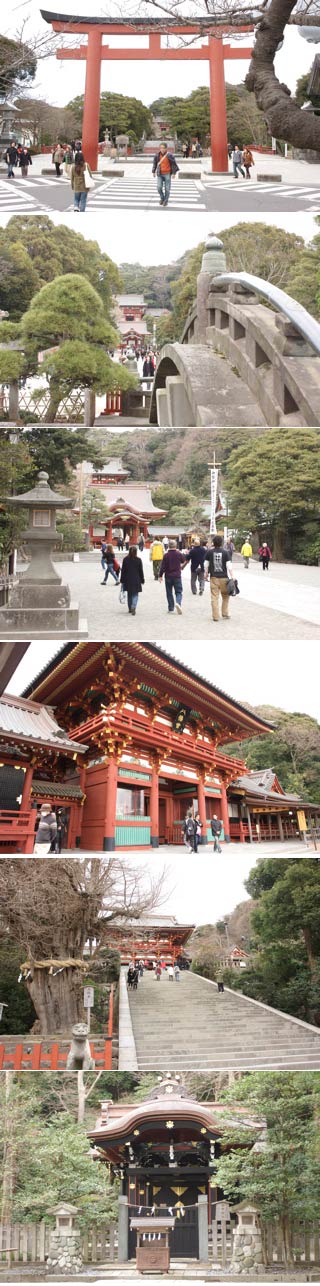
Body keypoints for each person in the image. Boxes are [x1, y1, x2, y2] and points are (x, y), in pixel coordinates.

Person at [205, 535, 233, 622]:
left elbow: (206, 565)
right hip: (224, 578)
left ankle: (215, 616)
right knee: (225, 596)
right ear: (221, 543)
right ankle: (225, 613)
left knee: (214, 597)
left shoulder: (209, 552)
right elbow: (229, 566)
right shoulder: (225, 552)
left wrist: (206, 574)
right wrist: (233, 576)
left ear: (213, 542)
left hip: (214, 578)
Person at [159, 539, 186, 614]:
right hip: (177, 575)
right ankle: (178, 603)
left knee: (169, 592)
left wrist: (160, 575)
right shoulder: (179, 554)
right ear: (176, 546)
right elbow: (184, 560)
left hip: (168, 576)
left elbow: (162, 567)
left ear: (168, 546)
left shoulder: (166, 555)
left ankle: (171, 608)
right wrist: (181, 566)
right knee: (178, 592)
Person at [152, 142, 179, 207]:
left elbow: (173, 164)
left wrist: (174, 173)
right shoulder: (157, 155)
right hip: (160, 174)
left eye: (163, 148)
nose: (162, 149)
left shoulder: (170, 155)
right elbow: (155, 163)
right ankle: (162, 198)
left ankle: (165, 201)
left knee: (167, 189)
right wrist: (153, 171)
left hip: (167, 174)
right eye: (161, 148)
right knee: (159, 187)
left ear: (166, 148)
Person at [120, 544, 144, 615]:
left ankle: (130, 608)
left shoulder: (125, 559)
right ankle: (134, 606)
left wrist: (122, 580)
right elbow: (141, 571)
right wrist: (142, 579)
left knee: (129, 594)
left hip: (127, 579)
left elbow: (123, 570)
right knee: (135, 594)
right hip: (136, 579)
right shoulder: (138, 560)